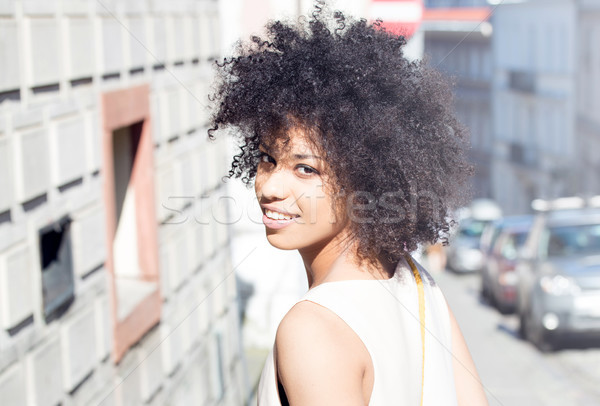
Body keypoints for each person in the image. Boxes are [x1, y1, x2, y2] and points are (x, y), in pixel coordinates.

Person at [208, 3, 489, 405]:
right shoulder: (417, 284)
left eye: (306, 169)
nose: (271, 186)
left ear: (366, 180)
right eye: (268, 158)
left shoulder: (313, 328)